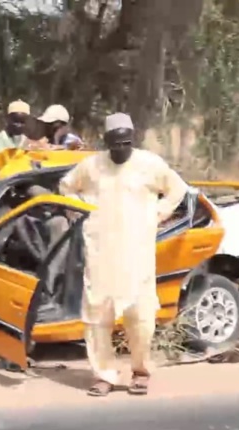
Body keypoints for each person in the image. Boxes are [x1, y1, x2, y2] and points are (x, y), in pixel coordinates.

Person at [59, 113, 188, 398]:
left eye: (126, 143)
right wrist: (79, 209)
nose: (121, 149)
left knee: (141, 317)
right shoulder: (91, 166)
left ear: (133, 139)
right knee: (97, 318)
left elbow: (177, 189)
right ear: (106, 142)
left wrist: (158, 213)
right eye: (115, 144)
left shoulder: (149, 164)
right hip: (100, 253)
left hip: (137, 254)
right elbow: (66, 187)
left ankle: (140, 372)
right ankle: (104, 375)